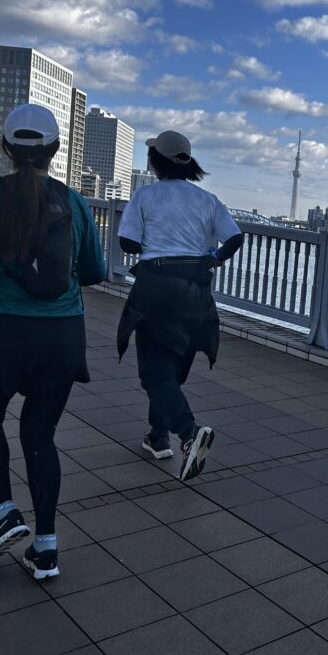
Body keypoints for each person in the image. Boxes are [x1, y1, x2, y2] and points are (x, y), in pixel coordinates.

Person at [0, 104, 106, 579]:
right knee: (40, 434)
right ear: (55, 151)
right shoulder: (76, 202)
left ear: (5, 147)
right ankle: (46, 548)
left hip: (4, 330)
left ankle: (4, 513)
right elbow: (96, 272)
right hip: (61, 336)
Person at [117, 130, 242, 481]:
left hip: (156, 286)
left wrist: (154, 242)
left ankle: (188, 433)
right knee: (172, 369)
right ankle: (158, 437)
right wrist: (214, 258)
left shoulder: (145, 195)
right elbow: (235, 237)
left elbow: (127, 241)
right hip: (195, 289)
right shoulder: (208, 199)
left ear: (155, 162)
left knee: (154, 372)